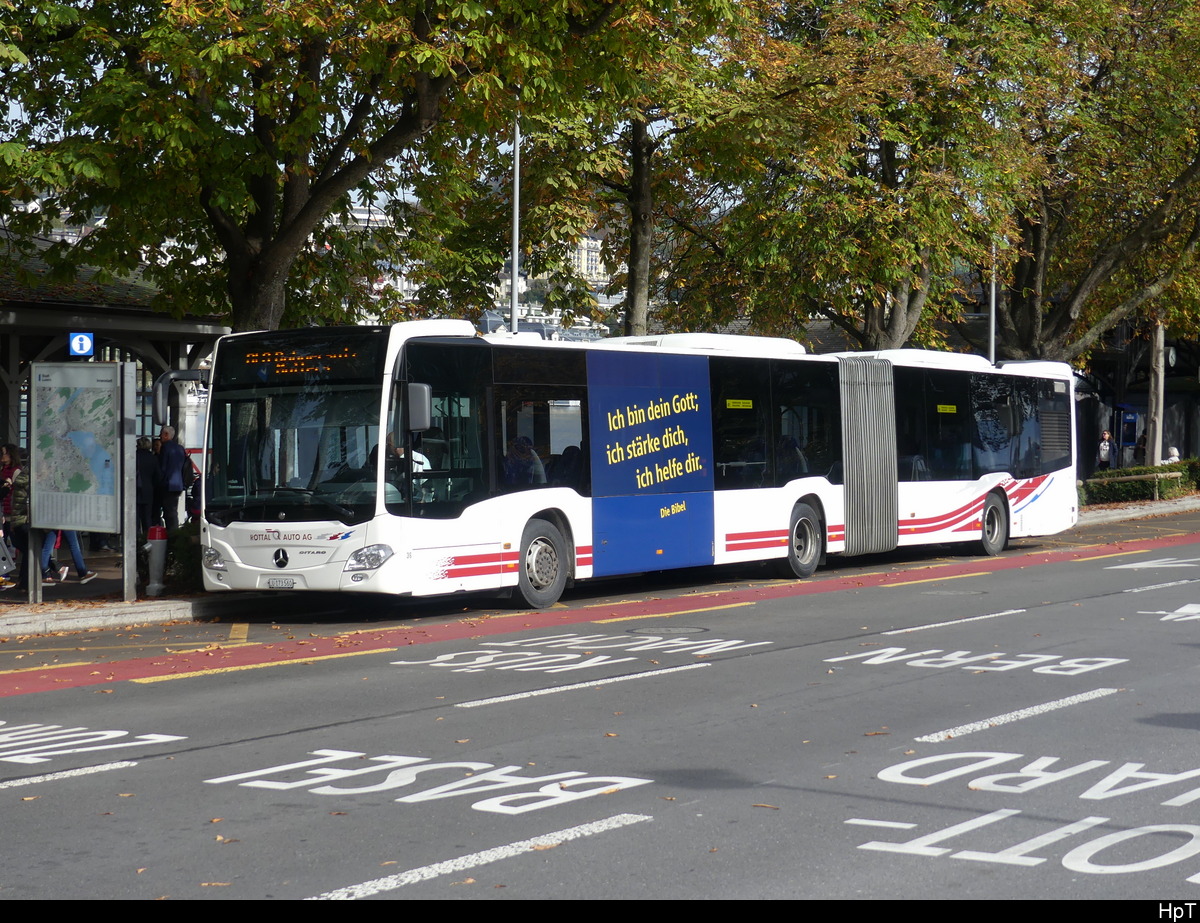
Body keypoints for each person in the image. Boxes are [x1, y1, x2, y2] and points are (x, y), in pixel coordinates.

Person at [158, 425, 188, 531]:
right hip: (178, 484)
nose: (159, 436)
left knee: (169, 513)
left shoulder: (165, 448)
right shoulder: (180, 448)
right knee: (173, 511)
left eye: (161, 434)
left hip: (168, 485)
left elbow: (163, 467)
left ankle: (172, 535)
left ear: (166, 435)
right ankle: (175, 534)